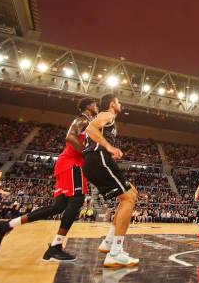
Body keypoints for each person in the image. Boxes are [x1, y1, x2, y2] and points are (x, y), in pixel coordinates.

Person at [0, 98, 98, 261]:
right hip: (72, 163)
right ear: (89, 107)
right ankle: (55, 247)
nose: (97, 107)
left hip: (67, 164)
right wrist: (87, 154)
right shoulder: (83, 119)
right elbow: (70, 138)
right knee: (77, 199)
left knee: (58, 207)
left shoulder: (89, 122)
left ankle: (7, 225)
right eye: (95, 105)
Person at [83, 94, 139, 268]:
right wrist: (109, 147)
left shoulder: (108, 118)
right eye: (119, 101)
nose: (120, 104)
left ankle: (109, 242)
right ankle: (115, 252)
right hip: (98, 158)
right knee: (129, 197)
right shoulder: (107, 114)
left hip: (95, 161)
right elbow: (90, 129)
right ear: (112, 104)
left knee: (131, 194)